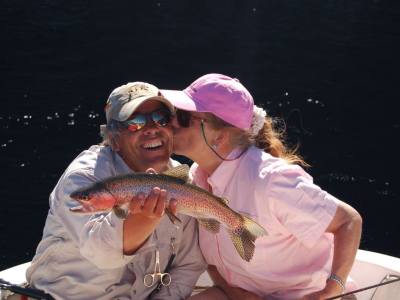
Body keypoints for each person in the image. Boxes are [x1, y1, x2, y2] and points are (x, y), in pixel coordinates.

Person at [161, 73, 363, 300]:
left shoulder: (271, 180)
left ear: (221, 136)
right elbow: (213, 258)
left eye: (184, 117)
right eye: (173, 114)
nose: (171, 123)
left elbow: (349, 221)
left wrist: (331, 290)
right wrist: (233, 292)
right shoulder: (197, 176)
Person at [26, 82, 206, 300]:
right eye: (135, 123)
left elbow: (188, 264)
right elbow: (103, 254)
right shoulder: (83, 179)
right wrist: (141, 220)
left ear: (171, 128)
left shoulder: (182, 181)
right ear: (113, 139)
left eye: (161, 118)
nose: (151, 128)